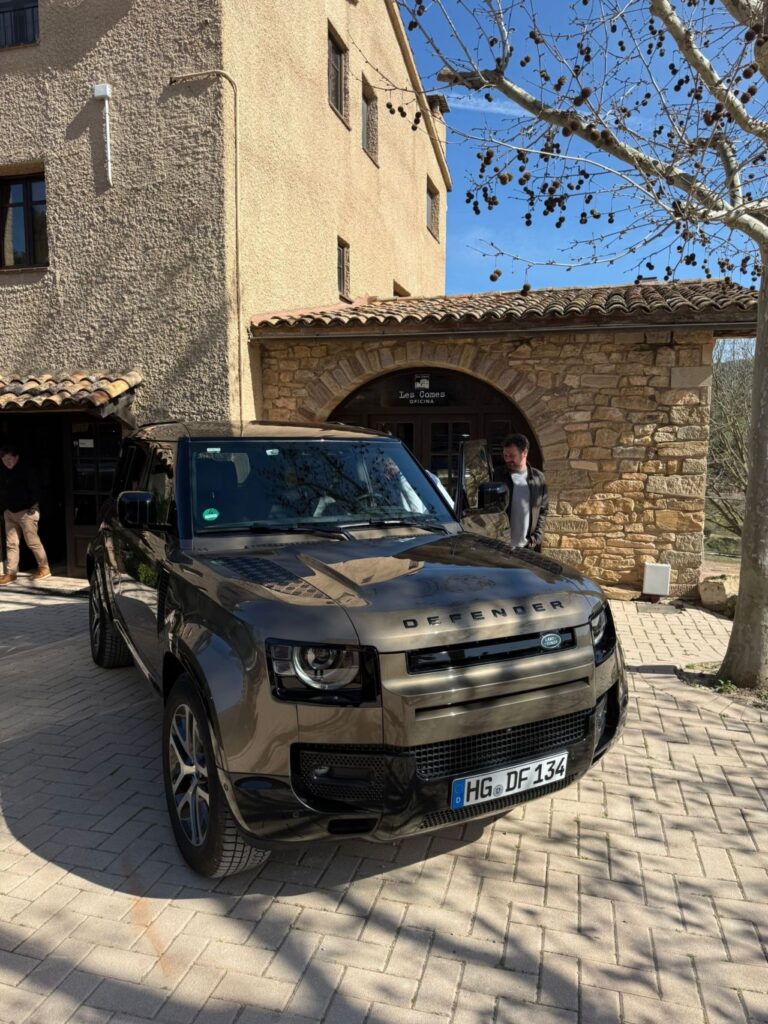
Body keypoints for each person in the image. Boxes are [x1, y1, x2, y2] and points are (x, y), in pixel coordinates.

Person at [0, 444, 51, 584]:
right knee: (11, 544)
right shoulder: (3, 472)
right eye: (4, 459)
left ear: (16, 457)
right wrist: (4, 509)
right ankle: (11, 573)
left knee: (32, 542)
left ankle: (44, 568)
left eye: (10, 459)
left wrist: (33, 508)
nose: (7, 462)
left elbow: (36, 490)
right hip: (9, 512)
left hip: (26, 512)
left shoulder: (26, 471)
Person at [493, 433, 549, 550]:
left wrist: (536, 538)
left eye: (512, 455)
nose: (507, 459)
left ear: (524, 453)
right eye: (505, 455)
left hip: (527, 548)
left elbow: (543, 510)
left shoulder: (538, 478)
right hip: (499, 547)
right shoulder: (496, 476)